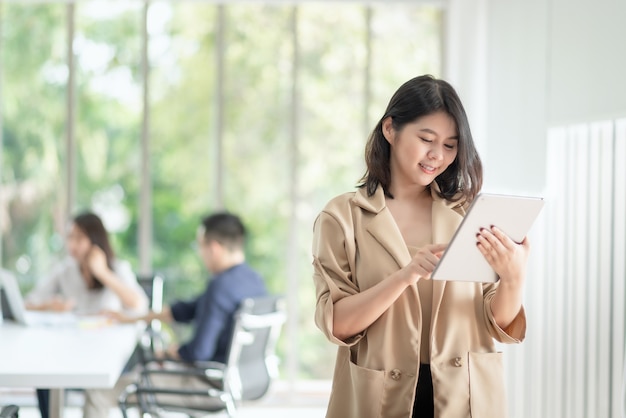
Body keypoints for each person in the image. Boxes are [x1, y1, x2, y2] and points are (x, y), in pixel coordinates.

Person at [312, 74, 529, 418]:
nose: (437, 155)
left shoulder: (470, 212)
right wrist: (405, 275)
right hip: (379, 397)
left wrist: (513, 277)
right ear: (390, 130)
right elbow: (337, 324)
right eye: (426, 139)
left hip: (465, 396)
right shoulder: (342, 217)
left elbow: (497, 324)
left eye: (450, 145)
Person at [86, 211, 268, 418]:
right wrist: (132, 318)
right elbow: (184, 311)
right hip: (236, 382)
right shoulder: (253, 281)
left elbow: (198, 353)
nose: (200, 254)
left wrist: (170, 353)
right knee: (146, 374)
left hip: (206, 385)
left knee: (99, 392)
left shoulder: (220, 286)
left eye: (200, 246)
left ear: (214, 248)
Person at [24, 211, 149, 418]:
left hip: (107, 352)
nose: (72, 245)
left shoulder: (117, 269)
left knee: (93, 391)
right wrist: (48, 305)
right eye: (70, 237)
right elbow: (28, 302)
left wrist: (102, 272)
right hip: (71, 348)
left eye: (79, 238)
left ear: (95, 240)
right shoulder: (64, 270)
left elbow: (139, 306)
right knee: (44, 374)